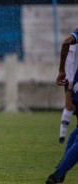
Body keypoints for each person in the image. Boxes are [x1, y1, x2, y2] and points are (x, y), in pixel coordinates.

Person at [46, 27, 78, 184]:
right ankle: (57, 174)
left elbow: (67, 42)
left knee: (76, 131)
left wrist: (61, 71)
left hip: (76, 86)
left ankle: (61, 168)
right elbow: (67, 42)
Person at [58, 33, 78, 144]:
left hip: (71, 78)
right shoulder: (72, 40)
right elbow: (66, 43)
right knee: (69, 106)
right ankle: (61, 137)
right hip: (72, 78)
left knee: (70, 106)